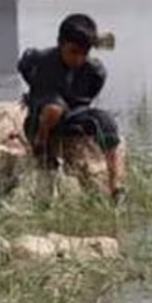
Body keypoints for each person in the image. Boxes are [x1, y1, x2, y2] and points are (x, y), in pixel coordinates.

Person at [18, 14, 125, 203]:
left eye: (84, 53)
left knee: (106, 122)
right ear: (60, 43)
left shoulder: (94, 71)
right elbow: (25, 67)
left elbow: (89, 95)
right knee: (53, 108)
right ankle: (41, 145)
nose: (78, 58)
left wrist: (77, 105)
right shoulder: (40, 60)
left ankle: (116, 187)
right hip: (43, 115)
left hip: (75, 114)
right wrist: (34, 96)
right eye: (73, 52)